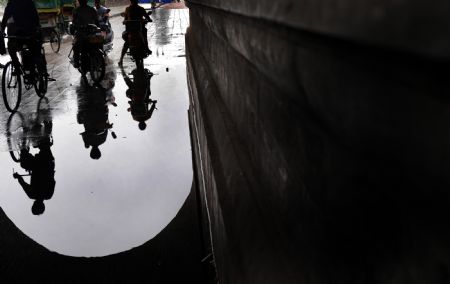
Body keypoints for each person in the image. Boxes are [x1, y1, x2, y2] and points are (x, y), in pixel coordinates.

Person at [0, 0, 45, 75]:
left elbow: (4, 19)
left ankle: (17, 67)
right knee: (36, 54)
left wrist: (2, 31)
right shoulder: (29, 2)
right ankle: (40, 76)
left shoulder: (11, 4)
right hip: (31, 34)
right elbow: (36, 18)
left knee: (11, 47)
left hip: (19, 35)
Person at [13, 139, 55, 216]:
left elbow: (52, 181)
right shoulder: (32, 194)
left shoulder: (48, 195)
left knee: (45, 147)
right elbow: (22, 183)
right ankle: (23, 147)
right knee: (24, 163)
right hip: (39, 165)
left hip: (48, 164)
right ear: (34, 205)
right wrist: (17, 176)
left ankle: (44, 142)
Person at [118, 0, 152, 66]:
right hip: (138, 30)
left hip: (130, 30)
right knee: (144, 35)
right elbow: (147, 18)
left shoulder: (128, 9)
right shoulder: (140, 9)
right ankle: (146, 48)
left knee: (127, 43)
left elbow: (125, 19)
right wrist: (148, 19)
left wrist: (125, 21)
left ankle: (121, 59)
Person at [72, 0, 99, 68]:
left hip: (86, 33)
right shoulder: (91, 9)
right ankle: (77, 62)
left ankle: (76, 62)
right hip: (88, 32)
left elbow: (74, 22)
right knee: (76, 46)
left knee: (76, 46)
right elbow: (97, 21)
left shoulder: (77, 10)